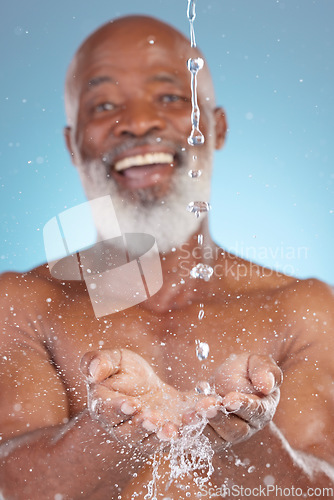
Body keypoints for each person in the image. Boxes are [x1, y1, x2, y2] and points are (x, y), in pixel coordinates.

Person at [0, 14, 333, 500]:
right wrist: (109, 431)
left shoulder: (303, 310)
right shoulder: (23, 305)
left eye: (171, 97)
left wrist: (246, 439)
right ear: (73, 146)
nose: (137, 122)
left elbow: (322, 488)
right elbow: (11, 483)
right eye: (105, 104)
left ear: (215, 128)